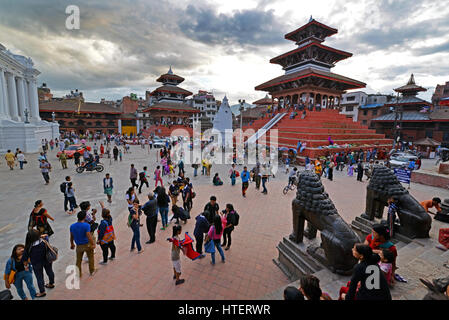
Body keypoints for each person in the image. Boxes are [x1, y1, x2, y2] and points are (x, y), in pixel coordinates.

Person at [24, 229, 55, 297]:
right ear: (39, 235)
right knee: (50, 271)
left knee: (39, 277)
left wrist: (26, 266)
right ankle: (51, 283)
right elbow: (46, 235)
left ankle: (42, 291)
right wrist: (42, 236)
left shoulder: (28, 247)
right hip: (47, 260)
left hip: (36, 264)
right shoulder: (44, 241)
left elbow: (25, 258)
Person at [70, 210, 96, 277]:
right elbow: (88, 235)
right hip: (87, 244)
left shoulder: (72, 226)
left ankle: (79, 274)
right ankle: (92, 271)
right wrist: (93, 243)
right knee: (91, 258)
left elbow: (71, 236)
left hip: (79, 245)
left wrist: (72, 244)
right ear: (84, 217)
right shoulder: (86, 225)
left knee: (78, 260)